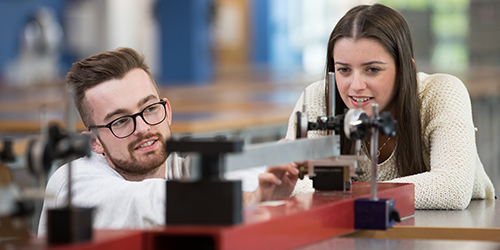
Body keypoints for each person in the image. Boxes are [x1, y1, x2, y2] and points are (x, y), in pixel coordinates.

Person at [38, 47, 298, 236]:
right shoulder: (72, 184)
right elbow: (142, 202)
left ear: (168, 111)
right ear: (94, 142)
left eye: (149, 108)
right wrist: (248, 200)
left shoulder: (180, 168)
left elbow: (255, 176)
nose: (142, 128)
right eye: (120, 121)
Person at [285, 4, 495, 210]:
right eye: (344, 70)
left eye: (373, 69)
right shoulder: (318, 97)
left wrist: (344, 192)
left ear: (406, 70)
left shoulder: (442, 93)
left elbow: (451, 189)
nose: (356, 86)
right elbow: (292, 183)